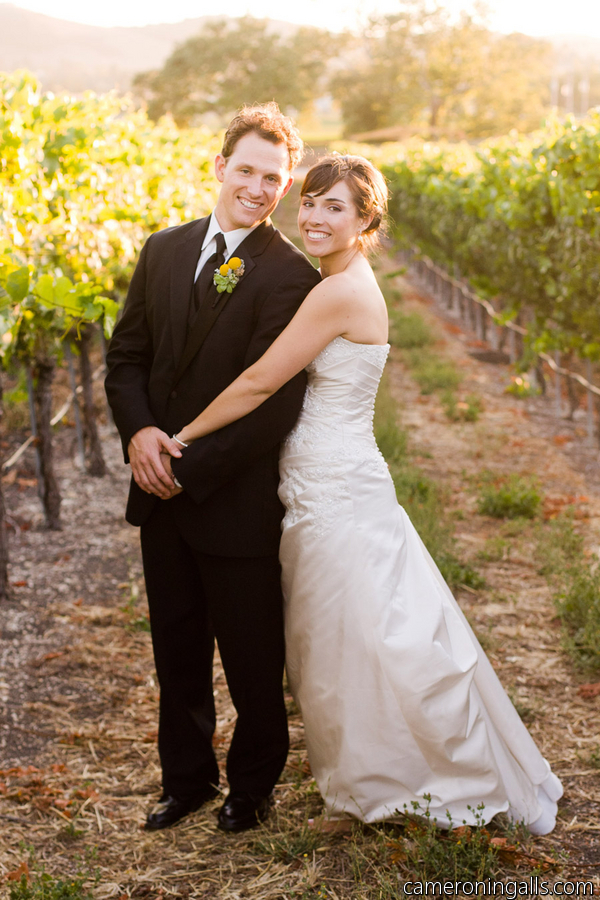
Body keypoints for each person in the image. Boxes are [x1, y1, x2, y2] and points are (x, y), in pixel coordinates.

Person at [168, 154, 563, 835]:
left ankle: (391, 788)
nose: (315, 217)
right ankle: (361, 785)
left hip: (335, 489)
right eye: (311, 201)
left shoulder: (338, 292)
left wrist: (179, 437)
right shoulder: (336, 279)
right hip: (323, 480)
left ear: (365, 221)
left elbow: (261, 381)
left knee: (352, 641)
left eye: (335, 207)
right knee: (342, 639)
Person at [105, 103, 321, 833]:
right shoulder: (163, 249)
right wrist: (140, 434)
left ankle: (252, 788)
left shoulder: (291, 277)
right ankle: (186, 780)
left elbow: (273, 404)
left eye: (273, 178)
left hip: (232, 497)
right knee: (177, 650)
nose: (257, 188)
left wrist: (185, 469)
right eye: (247, 170)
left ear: (285, 186)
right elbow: (127, 358)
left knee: (253, 659)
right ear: (220, 166)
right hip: (156, 491)